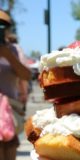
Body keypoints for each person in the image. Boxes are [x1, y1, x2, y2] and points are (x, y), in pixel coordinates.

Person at [0, 10, 31, 160]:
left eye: (3, 26)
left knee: (9, 150)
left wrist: (8, 56)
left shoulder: (14, 50)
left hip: (10, 114)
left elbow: (27, 75)